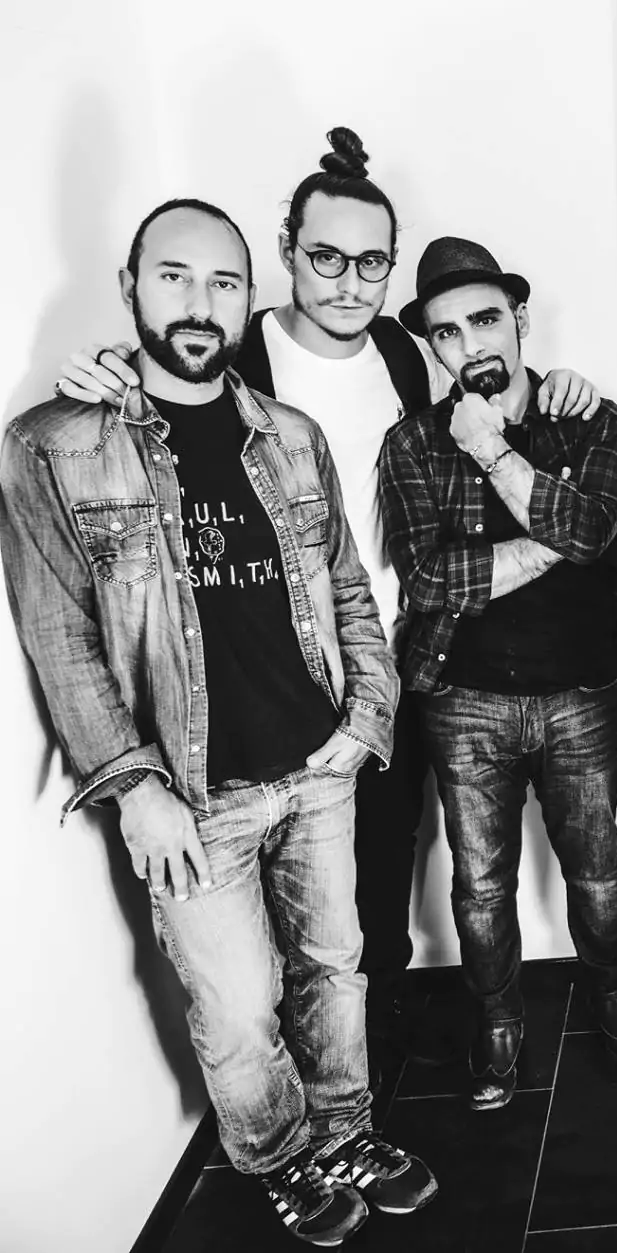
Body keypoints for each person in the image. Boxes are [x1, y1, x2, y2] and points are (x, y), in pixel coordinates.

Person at [51, 127, 602, 1071]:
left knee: (375, 891)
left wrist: (554, 382)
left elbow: (485, 383)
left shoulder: (402, 352)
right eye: (326, 258)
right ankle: (300, 1100)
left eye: (371, 262)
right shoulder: (237, 358)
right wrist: (107, 368)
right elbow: (168, 383)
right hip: (276, 681)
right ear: (287, 251)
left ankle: (366, 1077)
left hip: (400, 665)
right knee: (263, 933)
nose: (350, 283)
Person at [3, 199, 435, 1246]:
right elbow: (59, 634)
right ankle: (282, 1156)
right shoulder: (56, 446)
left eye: (223, 283)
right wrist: (133, 786)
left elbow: (347, 589)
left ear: (249, 298)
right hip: (191, 795)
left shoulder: (291, 436)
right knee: (239, 1005)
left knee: (337, 969)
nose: (200, 304)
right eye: (175, 277)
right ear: (131, 286)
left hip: (318, 766)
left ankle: (345, 1129)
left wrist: (364, 719)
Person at [377, 236, 617, 1110]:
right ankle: (498, 1019)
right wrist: (555, 533)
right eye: (447, 332)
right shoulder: (412, 443)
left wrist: (497, 456)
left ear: (520, 319)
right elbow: (427, 578)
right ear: (431, 346)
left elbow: (596, 530)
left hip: (581, 691)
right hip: (463, 703)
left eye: (486, 319)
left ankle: (612, 989)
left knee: (598, 868)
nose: (471, 345)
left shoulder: (592, 419)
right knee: (479, 885)